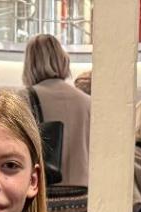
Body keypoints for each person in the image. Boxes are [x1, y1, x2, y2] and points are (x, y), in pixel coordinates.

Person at [22, 33, 91, 187]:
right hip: (84, 193)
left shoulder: (24, 99)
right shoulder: (88, 102)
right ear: (62, 59)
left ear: (29, 63)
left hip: (44, 192)